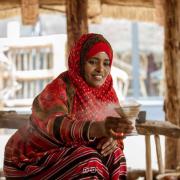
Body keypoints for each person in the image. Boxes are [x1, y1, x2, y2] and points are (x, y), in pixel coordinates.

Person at [4, 33, 133, 179]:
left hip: (72, 154)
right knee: (89, 161)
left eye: (106, 63)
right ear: (79, 63)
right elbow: (55, 126)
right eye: (92, 61)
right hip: (30, 160)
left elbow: (115, 131)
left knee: (115, 156)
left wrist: (112, 140)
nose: (100, 69)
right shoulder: (59, 88)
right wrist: (97, 128)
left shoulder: (107, 91)